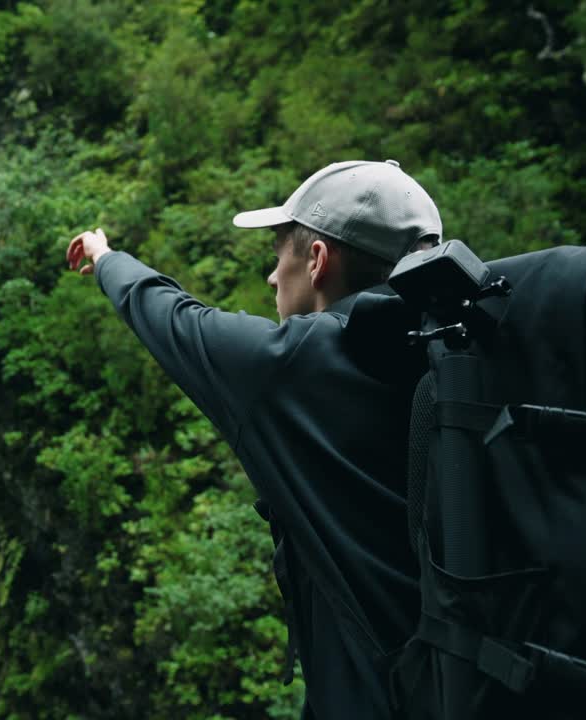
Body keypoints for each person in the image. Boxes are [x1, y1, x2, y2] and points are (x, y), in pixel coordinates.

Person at [67, 160, 442, 719]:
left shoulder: (287, 369)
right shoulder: (456, 351)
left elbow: (169, 317)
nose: (271, 277)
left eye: (278, 255)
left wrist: (105, 257)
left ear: (316, 261)